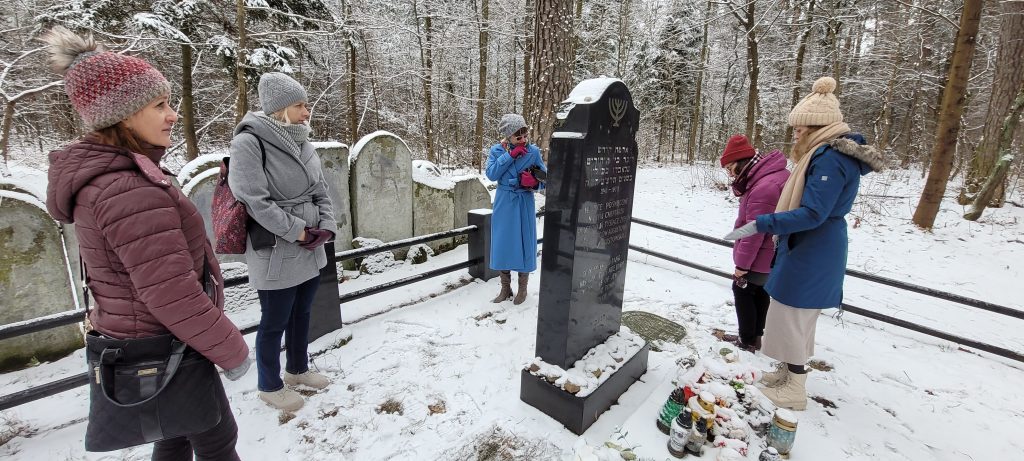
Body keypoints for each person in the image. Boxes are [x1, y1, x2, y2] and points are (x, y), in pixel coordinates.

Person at [42, 27, 250, 460]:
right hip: (164, 342)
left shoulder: (118, 179)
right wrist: (231, 349)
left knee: (173, 435)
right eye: (159, 105)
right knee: (215, 439)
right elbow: (170, 292)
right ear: (122, 115)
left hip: (148, 341)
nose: (172, 114)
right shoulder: (127, 189)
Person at [723, 77, 883, 410]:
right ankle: (786, 373)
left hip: (813, 250)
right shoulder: (825, 155)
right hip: (807, 247)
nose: (794, 135)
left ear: (816, 128)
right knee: (787, 315)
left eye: (799, 130)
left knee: (791, 317)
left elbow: (813, 212)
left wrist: (763, 223)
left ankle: (794, 387)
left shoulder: (829, 159)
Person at [228, 72, 337, 412]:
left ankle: (297, 369)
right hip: (277, 246)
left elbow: (320, 188)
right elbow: (254, 200)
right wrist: (300, 231)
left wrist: (327, 227)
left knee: (302, 313)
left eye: (306, 104)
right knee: (274, 320)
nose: (308, 111)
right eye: (300, 105)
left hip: (310, 244)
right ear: (279, 108)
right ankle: (269, 385)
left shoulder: (302, 139)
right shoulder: (249, 142)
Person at [719, 134, 790, 352]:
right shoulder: (769, 176)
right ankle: (755, 337)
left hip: (762, 253)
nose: (730, 174)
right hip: (770, 252)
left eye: (730, 168)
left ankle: (747, 340)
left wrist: (742, 266)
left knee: (743, 290)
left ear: (741, 163)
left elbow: (754, 232)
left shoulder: (764, 187)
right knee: (759, 292)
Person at [485, 114, 548, 305]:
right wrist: (510, 156)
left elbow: (546, 178)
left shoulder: (533, 152)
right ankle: (505, 288)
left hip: (523, 202)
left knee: (524, 243)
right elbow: (491, 174)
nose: (523, 140)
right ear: (508, 136)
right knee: (503, 243)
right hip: (504, 202)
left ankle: (523, 289)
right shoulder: (496, 151)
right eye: (518, 137)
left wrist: (534, 183)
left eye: (525, 135)